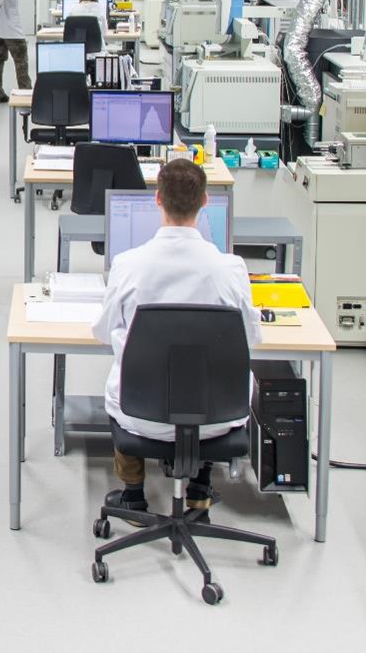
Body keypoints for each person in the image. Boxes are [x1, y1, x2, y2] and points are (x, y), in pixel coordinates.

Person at [92, 158, 259, 513]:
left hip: (141, 412)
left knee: (117, 380)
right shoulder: (231, 269)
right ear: (205, 201)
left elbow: (104, 332)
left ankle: (133, 496)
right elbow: (250, 337)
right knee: (215, 375)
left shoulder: (128, 264)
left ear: (157, 199)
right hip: (217, 417)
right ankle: (199, 489)